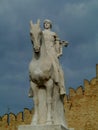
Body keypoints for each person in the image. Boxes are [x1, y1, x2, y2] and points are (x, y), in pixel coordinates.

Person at [43, 19, 66, 95]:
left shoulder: (53, 34)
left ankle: (61, 87)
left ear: (50, 25)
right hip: (43, 52)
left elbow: (57, 42)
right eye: (45, 23)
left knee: (57, 68)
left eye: (48, 23)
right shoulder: (41, 33)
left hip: (51, 51)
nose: (46, 24)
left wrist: (62, 44)